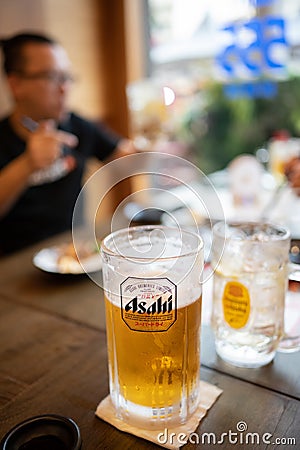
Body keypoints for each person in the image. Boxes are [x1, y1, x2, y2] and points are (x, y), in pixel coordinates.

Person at [0, 32, 136, 255]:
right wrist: (28, 164)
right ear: (16, 85)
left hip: (72, 253)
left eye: (67, 77)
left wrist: (151, 138)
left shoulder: (75, 125)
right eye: (52, 77)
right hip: (12, 265)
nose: (64, 88)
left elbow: (127, 160)